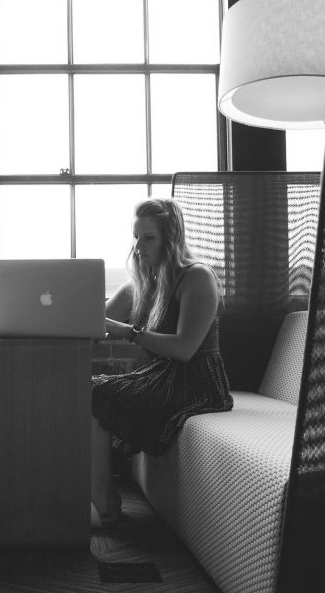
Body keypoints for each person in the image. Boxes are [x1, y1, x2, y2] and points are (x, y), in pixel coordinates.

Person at [91, 198, 233, 526]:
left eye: (148, 238)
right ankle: (99, 495)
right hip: (161, 375)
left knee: (95, 395)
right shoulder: (142, 282)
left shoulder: (196, 277)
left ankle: (104, 501)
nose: (138, 246)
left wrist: (129, 332)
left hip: (197, 382)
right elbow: (95, 322)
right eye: (135, 237)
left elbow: (185, 349)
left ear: (171, 239)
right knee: (89, 391)